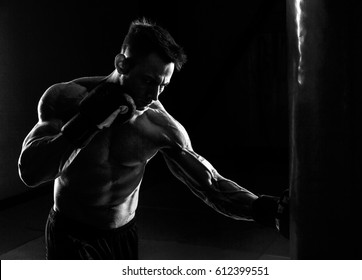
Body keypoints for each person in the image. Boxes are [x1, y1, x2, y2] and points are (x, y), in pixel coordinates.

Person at [18, 18, 289, 260]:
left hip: (122, 239)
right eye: (148, 81)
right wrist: (87, 123)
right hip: (71, 236)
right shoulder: (65, 99)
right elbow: (30, 171)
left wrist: (264, 209)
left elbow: (211, 186)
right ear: (121, 63)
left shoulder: (159, 126)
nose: (155, 96)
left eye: (163, 86)